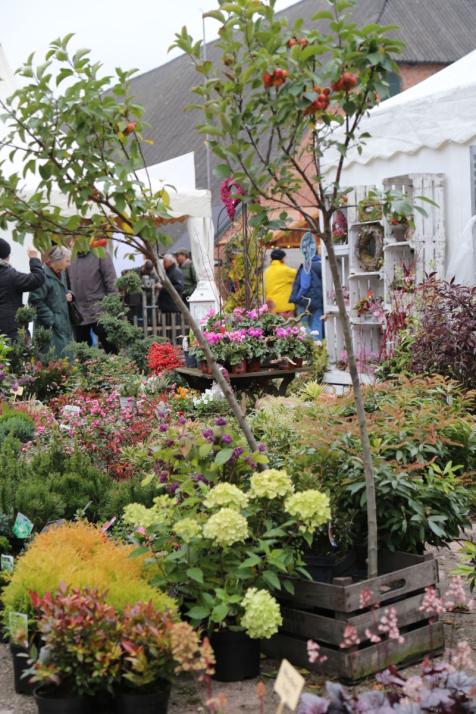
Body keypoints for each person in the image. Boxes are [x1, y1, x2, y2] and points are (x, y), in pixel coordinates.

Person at [67, 249, 117, 352]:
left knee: (110, 347)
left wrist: (113, 307)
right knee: (83, 352)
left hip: (101, 310)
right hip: (79, 312)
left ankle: (117, 367)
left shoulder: (101, 254)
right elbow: (67, 283)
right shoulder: (70, 257)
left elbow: (111, 282)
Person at [29, 246, 74, 357]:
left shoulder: (61, 272)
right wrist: (52, 319)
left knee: (67, 361)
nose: (69, 264)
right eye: (67, 261)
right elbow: (34, 301)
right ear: (57, 260)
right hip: (49, 328)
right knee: (52, 363)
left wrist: (68, 295)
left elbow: (58, 292)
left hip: (64, 325)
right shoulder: (42, 276)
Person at [0, 239, 45, 341]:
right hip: (11, 331)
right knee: (17, 356)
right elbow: (38, 278)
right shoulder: (10, 275)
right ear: (7, 256)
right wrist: (34, 258)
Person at [290, 251, 325, 340]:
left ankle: (309, 345)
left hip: (305, 300)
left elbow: (305, 285)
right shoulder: (324, 266)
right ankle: (318, 346)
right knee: (317, 322)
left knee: (304, 324)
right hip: (319, 300)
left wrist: (297, 297)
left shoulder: (307, 266)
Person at [264, 248, 297, 316]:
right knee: (289, 326)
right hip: (285, 307)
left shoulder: (266, 271)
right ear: (282, 259)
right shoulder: (285, 270)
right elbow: (298, 275)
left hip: (272, 306)